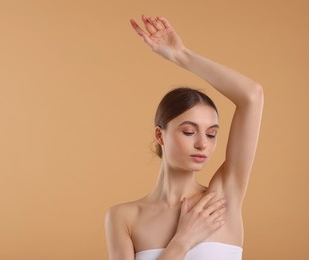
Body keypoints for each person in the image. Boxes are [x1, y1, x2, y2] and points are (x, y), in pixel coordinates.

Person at [105, 15, 264, 260]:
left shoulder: (221, 199)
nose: (202, 144)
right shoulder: (124, 217)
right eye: (189, 132)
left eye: (211, 134)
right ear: (160, 134)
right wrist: (182, 241)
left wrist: (181, 55)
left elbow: (252, 96)